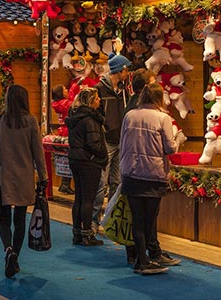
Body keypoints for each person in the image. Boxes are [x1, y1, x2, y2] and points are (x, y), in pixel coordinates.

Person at [0, 84, 47, 279]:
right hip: (24, 176)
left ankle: (8, 250)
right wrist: (43, 177)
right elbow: (38, 153)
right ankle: (16, 257)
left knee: (3, 219)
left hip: (3, 176)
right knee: (20, 220)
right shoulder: (30, 121)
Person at [119, 83, 177, 275]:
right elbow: (170, 148)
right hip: (153, 174)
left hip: (131, 172)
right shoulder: (163, 118)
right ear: (160, 98)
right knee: (149, 220)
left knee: (137, 220)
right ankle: (145, 261)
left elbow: (122, 143)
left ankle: (140, 259)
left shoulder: (129, 115)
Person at [92, 52, 131, 230]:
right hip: (106, 140)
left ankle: (110, 220)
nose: (128, 73)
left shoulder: (124, 91)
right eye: (126, 69)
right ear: (119, 70)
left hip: (121, 140)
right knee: (101, 181)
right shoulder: (99, 89)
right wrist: (104, 128)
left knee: (116, 181)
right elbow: (95, 112)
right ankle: (93, 219)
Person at [65, 87, 108, 246]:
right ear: (90, 101)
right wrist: (103, 156)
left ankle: (77, 233)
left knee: (79, 198)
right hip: (89, 162)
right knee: (88, 199)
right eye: (97, 99)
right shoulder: (90, 119)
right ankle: (87, 235)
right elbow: (94, 143)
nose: (99, 101)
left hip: (75, 159)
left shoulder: (75, 116)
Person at [51, 84, 74, 195]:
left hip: (62, 131)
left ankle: (64, 184)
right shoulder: (65, 103)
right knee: (68, 159)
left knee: (64, 159)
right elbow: (73, 104)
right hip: (68, 132)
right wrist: (74, 89)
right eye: (65, 89)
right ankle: (65, 184)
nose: (67, 90)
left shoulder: (57, 104)